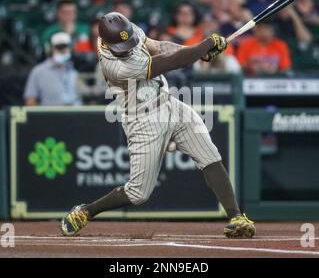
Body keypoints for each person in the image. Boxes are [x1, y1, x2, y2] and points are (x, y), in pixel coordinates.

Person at [61, 12, 256, 238]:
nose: (128, 47)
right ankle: (86, 211)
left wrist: (196, 50)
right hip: (143, 120)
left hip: (169, 102)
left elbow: (160, 47)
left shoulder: (125, 31)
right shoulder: (118, 67)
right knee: (138, 194)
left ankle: (236, 216)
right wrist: (203, 47)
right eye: (122, 45)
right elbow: (173, 62)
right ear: (106, 43)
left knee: (209, 155)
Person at [24, 32, 81, 106]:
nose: (63, 50)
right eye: (59, 47)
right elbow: (30, 101)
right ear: (50, 49)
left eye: (65, 47)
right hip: (50, 116)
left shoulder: (76, 69)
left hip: (76, 115)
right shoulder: (38, 71)